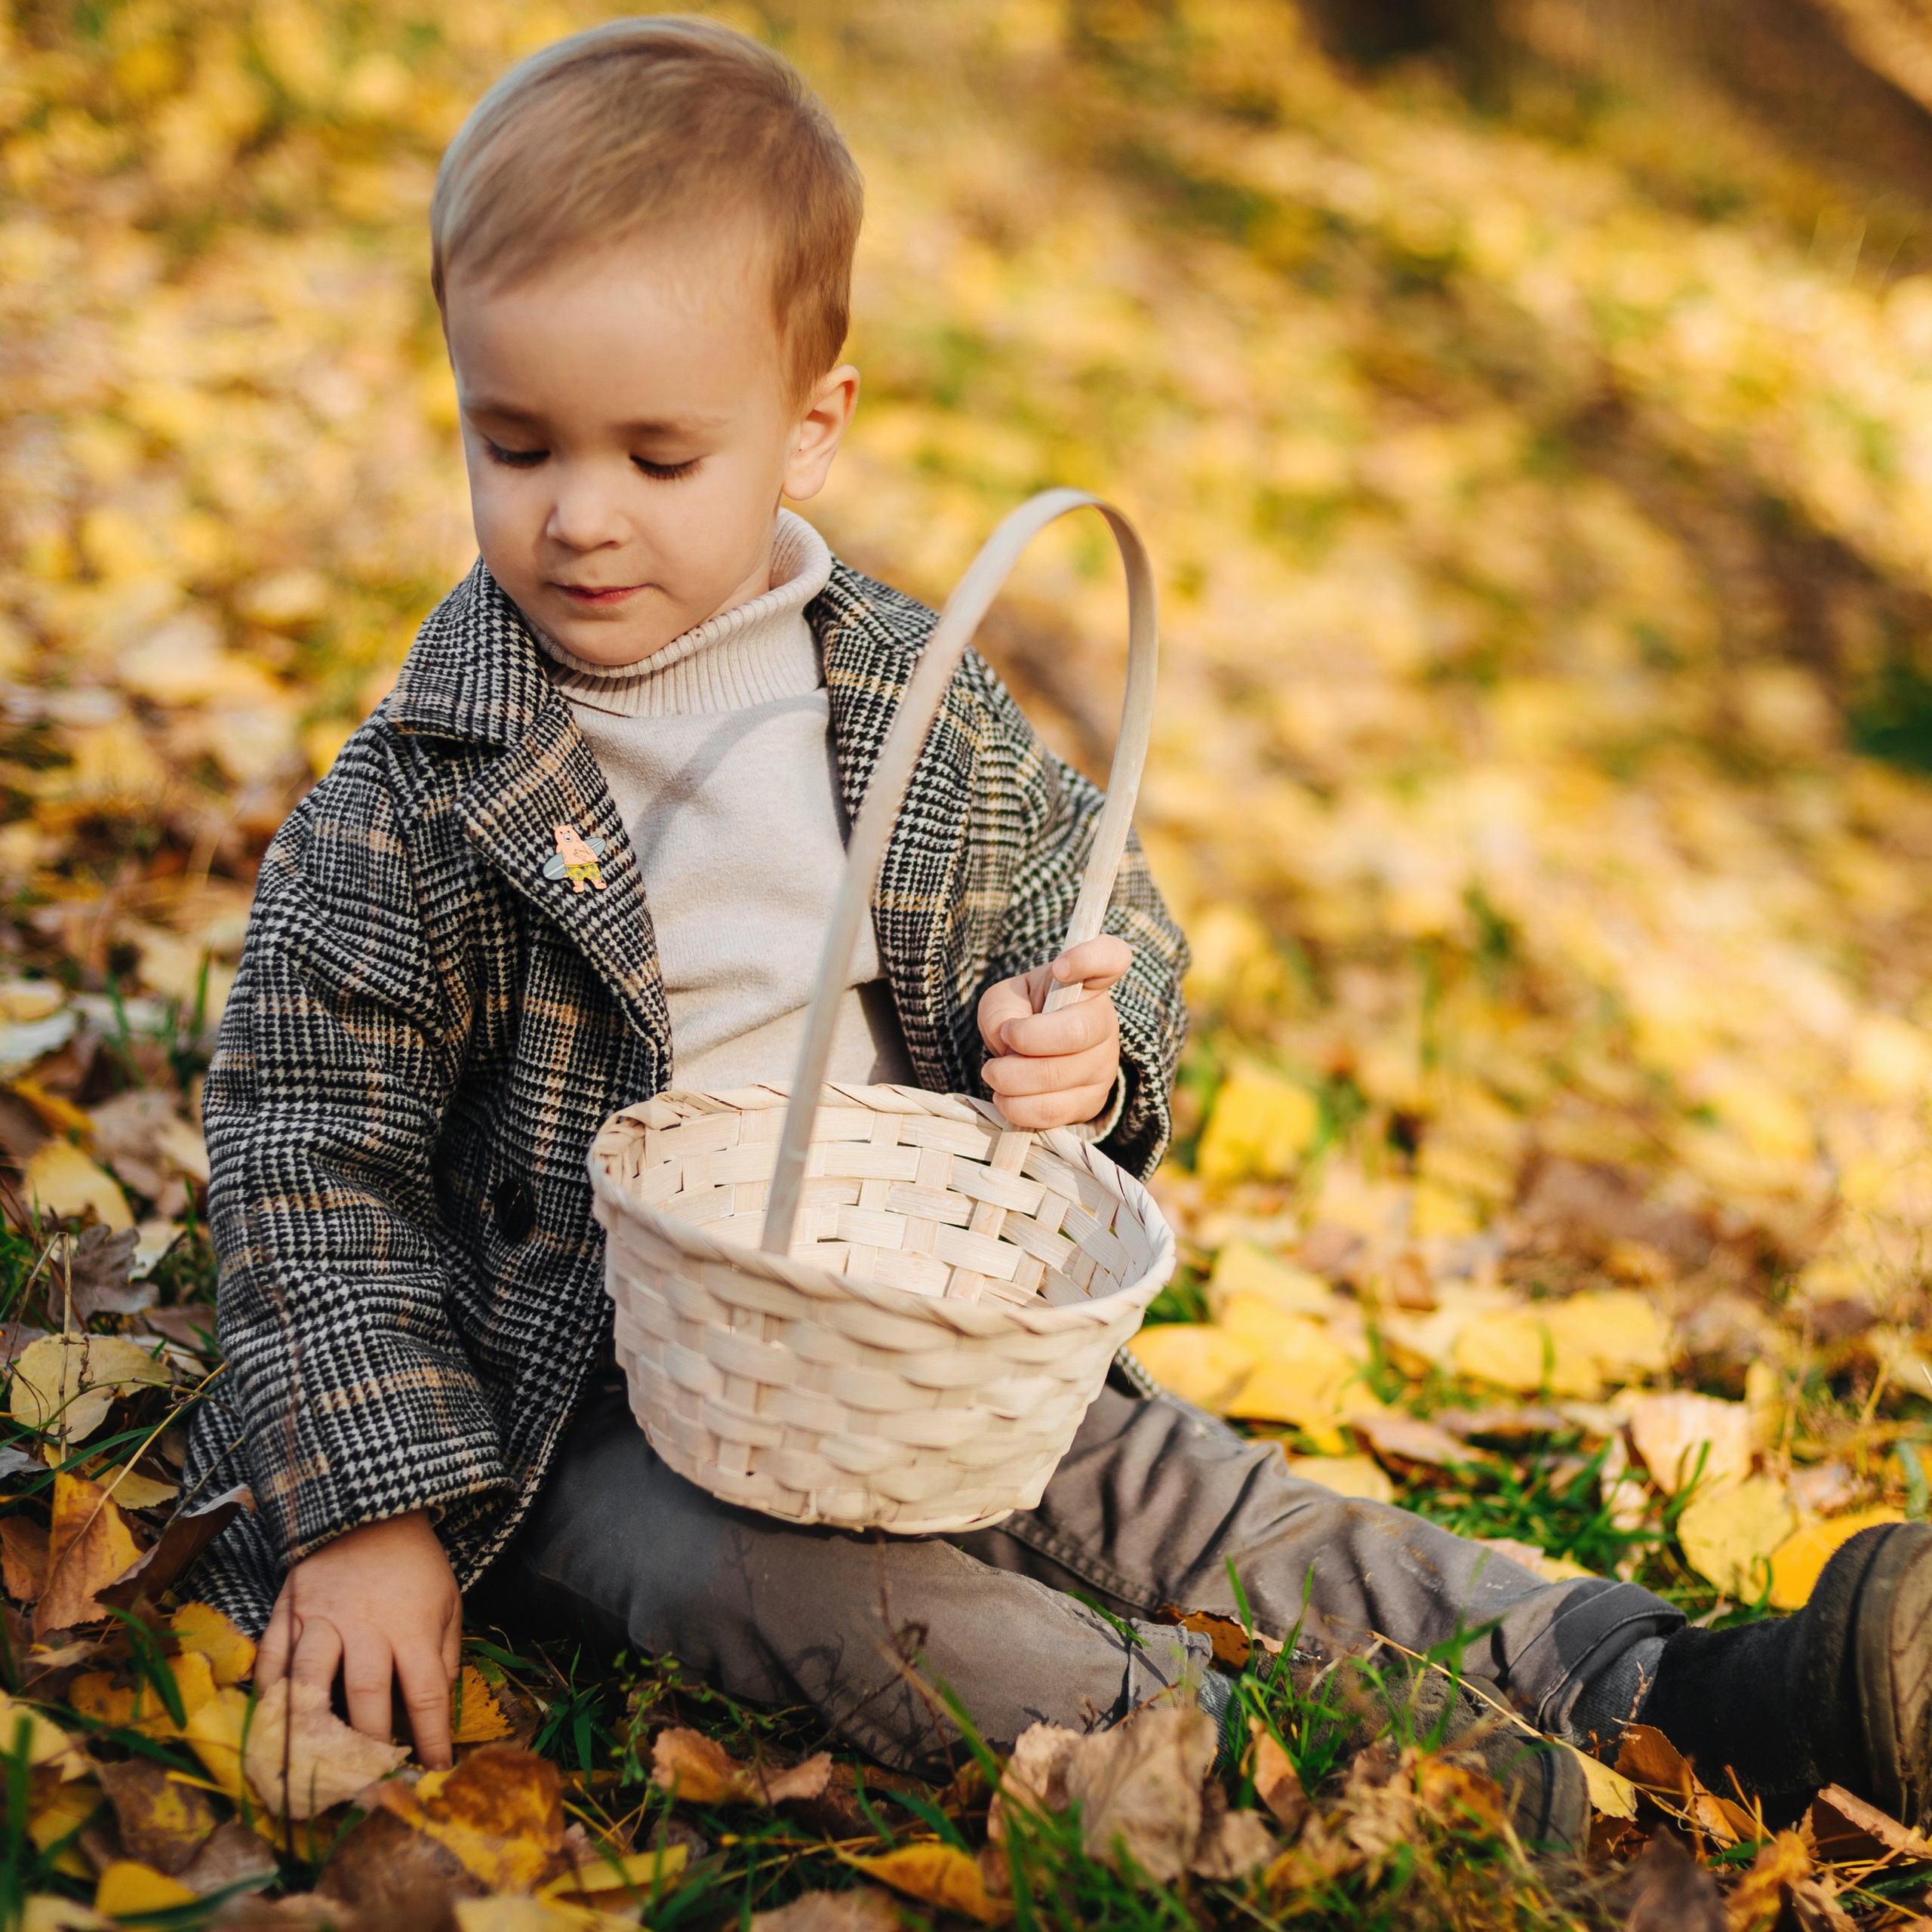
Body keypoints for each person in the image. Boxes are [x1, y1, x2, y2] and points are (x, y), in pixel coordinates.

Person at [181, 16, 1932, 1841]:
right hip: (593, 1399)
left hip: (909, 1338)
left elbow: (1101, 910)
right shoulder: (424, 791)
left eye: (659, 457)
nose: (578, 518)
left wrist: (1078, 1044)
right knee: (825, 1600)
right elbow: (307, 1142)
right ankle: (1376, 1788)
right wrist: (374, 1506)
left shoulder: (904, 697)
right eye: (515, 442)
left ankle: (1674, 1686)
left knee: (1189, 1495)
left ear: (807, 428)